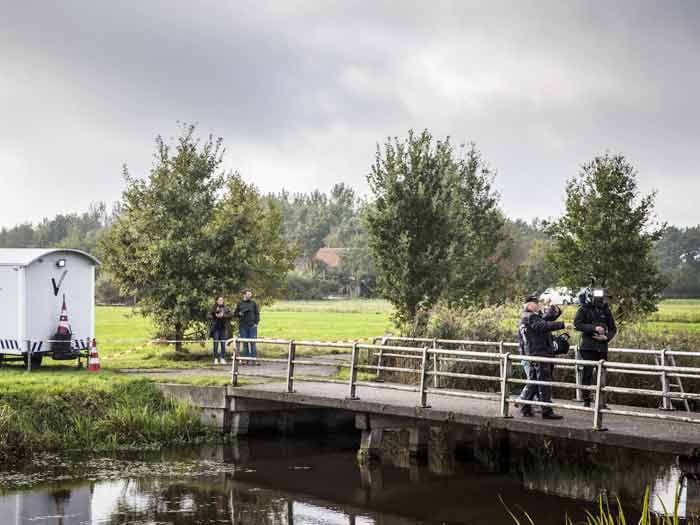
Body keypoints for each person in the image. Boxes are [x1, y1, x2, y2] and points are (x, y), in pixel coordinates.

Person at [518, 293, 567, 419]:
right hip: (539, 353)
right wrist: (563, 325)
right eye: (536, 303)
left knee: (534, 382)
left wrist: (555, 310)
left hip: (534, 353)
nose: (538, 305)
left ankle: (525, 407)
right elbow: (543, 325)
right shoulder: (531, 317)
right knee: (543, 382)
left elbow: (545, 320)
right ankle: (546, 411)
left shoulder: (529, 316)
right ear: (529, 304)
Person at [574, 287, 617, 407]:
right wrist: (593, 328)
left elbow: (613, 328)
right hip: (588, 347)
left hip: (602, 347)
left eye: (602, 298)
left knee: (602, 374)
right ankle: (586, 400)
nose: (600, 300)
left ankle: (601, 402)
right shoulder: (583, 309)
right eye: (597, 297)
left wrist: (606, 337)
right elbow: (577, 324)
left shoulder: (606, 310)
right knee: (587, 373)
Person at [234, 289, 260, 365]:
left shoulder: (253, 303)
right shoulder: (239, 303)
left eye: (250, 294)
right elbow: (235, 314)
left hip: (252, 326)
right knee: (245, 344)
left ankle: (254, 360)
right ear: (244, 295)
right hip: (243, 327)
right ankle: (245, 360)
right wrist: (239, 314)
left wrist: (256, 323)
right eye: (248, 294)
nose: (250, 295)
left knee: (253, 343)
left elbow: (257, 314)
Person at [209, 296, 232, 365]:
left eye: (222, 300)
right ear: (217, 301)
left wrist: (223, 315)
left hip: (223, 328)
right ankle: (215, 358)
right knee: (215, 344)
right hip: (215, 329)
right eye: (220, 300)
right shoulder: (213, 308)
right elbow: (208, 316)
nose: (221, 301)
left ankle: (222, 358)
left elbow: (231, 314)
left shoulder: (226, 308)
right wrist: (215, 315)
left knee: (223, 344)